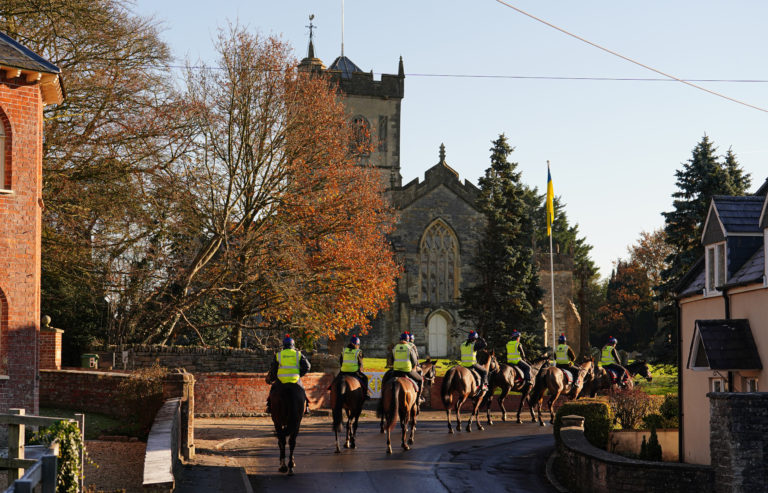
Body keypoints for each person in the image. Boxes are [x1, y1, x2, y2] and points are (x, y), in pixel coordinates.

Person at [266, 334, 311, 414]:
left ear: (284, 345)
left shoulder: (279, 355)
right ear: (293, 345)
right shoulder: (298, 354)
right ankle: (307, 407)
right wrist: (299, 374)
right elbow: (307, 366)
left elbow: (273, 369)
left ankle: (269, 406)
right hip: (294, 380)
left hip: (281, 380)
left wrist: (273, 377)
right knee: (302, 391)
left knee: (273, 390)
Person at [381, 332, 423, 403]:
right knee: (420, 380)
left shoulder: (395, 347)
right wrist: (412, 366)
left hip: (396, 371)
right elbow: (415, 361)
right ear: (408, 340)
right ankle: (418, 398)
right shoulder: (410, 347)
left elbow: (391, 359)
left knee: (386, 381)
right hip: (407, 370)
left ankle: (383, 398)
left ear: (400, 339)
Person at [338, 334, 370, 400]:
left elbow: (341, 361)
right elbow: (360, 363)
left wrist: (344, 367)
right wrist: (360, 370)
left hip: (343, 372)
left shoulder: (344, 350)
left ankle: (330, 388)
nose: (358, 346)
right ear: (356, 344)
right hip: (354, 372)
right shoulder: (358, 352)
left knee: (336, 380)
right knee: (365, 378)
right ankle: (366, 393)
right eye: (358, 345)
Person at [460, 330, 488, 397]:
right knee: (484, 371)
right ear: (475, 339)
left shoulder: (462, 344)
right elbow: (485, 344)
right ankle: (483, 386)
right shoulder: (473, 345)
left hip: (463, 365)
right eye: (476, 339)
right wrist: (480, 338)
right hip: (471, 364)